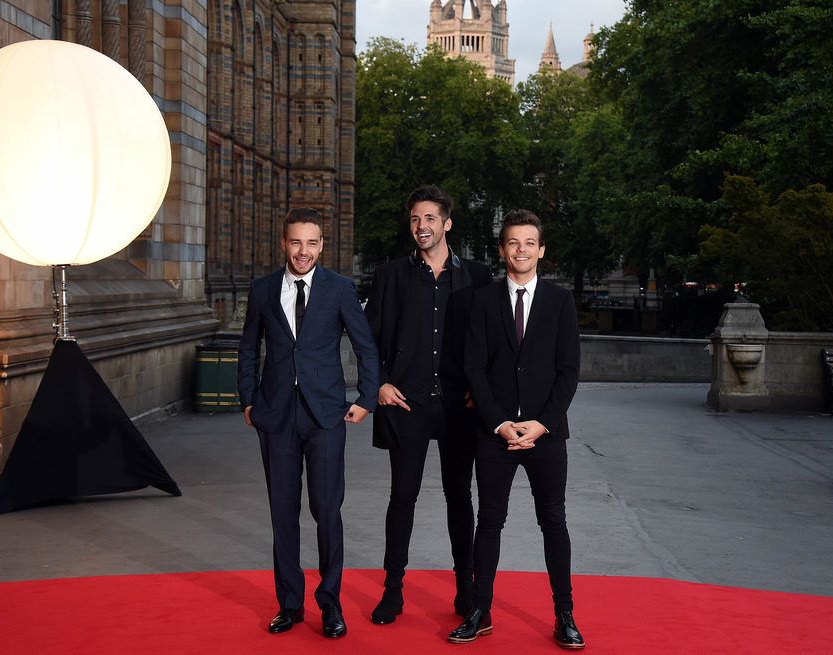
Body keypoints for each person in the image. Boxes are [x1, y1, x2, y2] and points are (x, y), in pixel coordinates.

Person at [237, 207, 379, 639]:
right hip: (276, 416)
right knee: (283, 513)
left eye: (312, 243)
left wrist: (367, 398)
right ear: (284, 243)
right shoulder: (262, 290)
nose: (304, 251)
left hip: (325, 416)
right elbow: (247, 349)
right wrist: (248, 401)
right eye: (296, 242)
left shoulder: (339, 289)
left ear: (322, 245)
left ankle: (331, 606)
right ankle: (290, 605)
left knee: (326, 511)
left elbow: (365, 347)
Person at [449, 209, 585, 649]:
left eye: (529, 243)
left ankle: (565, 615)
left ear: (541, 251)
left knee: (554, 522)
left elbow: (569, 372)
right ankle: (480, 611)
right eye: (513, 243)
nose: (521, 250)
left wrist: (541, 424)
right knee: (488, 522)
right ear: (502, 249)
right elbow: (474, 367)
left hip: (546, 435)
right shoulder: (483, 300)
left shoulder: (560, 302)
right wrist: (501, 423)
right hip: (496, 433)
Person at [364, 185, 493, 624]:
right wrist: (378, 383)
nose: (422, 226)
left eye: (430, 219)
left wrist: (486, 391)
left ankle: (465, 589)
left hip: (460, 406)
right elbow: (368, 339)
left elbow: (490, 341)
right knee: (403, 495)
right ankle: (393, 591)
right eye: (416, 219)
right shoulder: (391, 276)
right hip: (406, 403)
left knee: (461, 496)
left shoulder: (477, 276)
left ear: (447, 223)